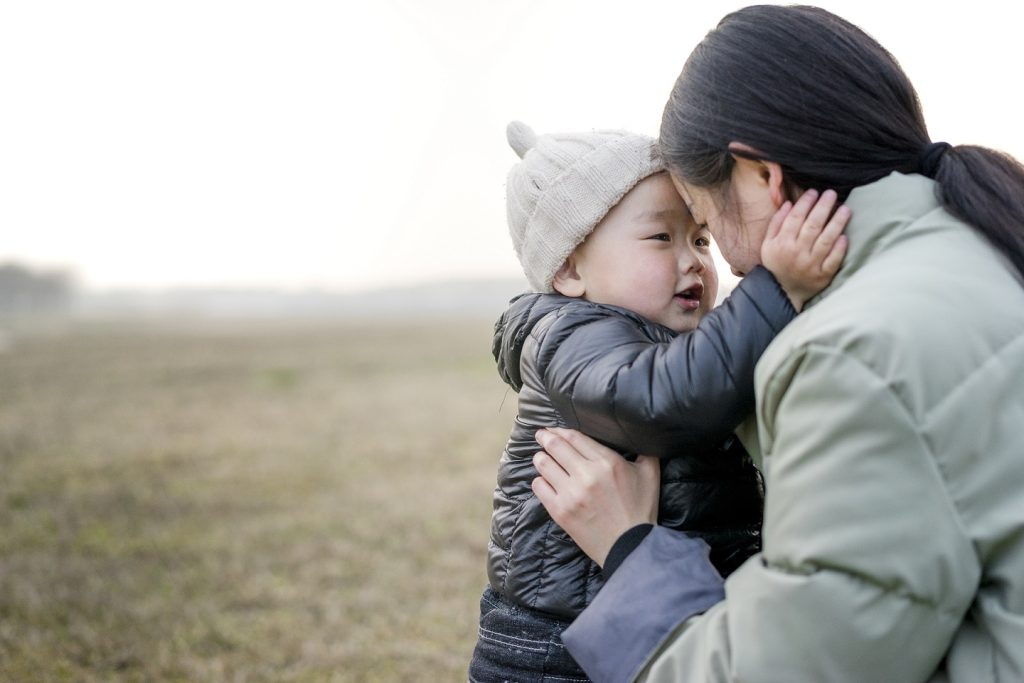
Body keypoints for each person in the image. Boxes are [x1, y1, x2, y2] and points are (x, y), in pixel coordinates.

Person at [530, 5, 1024, 682]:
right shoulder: (982, 244)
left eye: (703, 223)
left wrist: (630, 550)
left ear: (762, 176)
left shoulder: (852, 352)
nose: (720, 265)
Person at [467, 121, 848, 682]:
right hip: (555, 644)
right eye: (659, 238)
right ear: (570, 270)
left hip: (643, 611)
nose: (694, 259)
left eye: (699, 238)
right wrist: (775, 290)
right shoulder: (571, 335)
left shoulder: (677, 342)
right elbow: (661, 401)